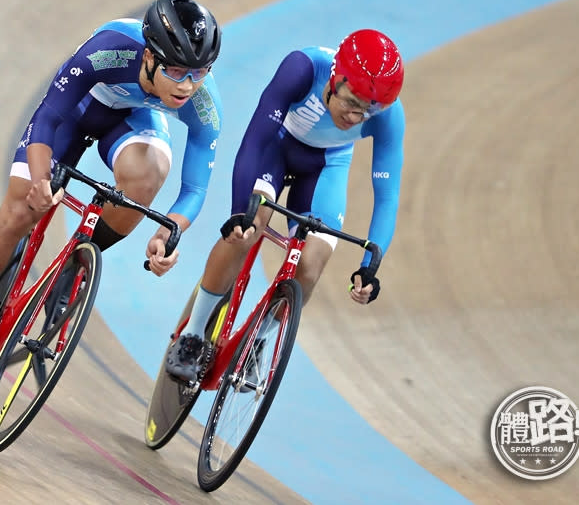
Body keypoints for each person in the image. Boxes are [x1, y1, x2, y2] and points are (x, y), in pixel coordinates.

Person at [0, 0, 223, 380]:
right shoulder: (109, 51)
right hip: (75, 110)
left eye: (200, 73)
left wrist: (169, 233)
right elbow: (48, 116)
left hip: (132, 120)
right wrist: (41, 182)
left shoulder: (204, 102)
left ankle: (76, 262)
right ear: (149, 56)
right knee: (19, 210)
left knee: (150, 171)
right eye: (178, 71)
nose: (189, 85)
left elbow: (195, 189)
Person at [165, 29, 405, 383]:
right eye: (352, 102)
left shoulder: (386, 114)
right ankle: (193, 333)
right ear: (336, 79)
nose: (356, 117)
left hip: (326, 167)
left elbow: (387, 195)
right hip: (276, 149)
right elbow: (256, 139)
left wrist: (371, 264)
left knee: (310, 264)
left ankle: (258, 343)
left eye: (368, 111)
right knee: (248, 229)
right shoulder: (303, 68)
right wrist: (238, 213)